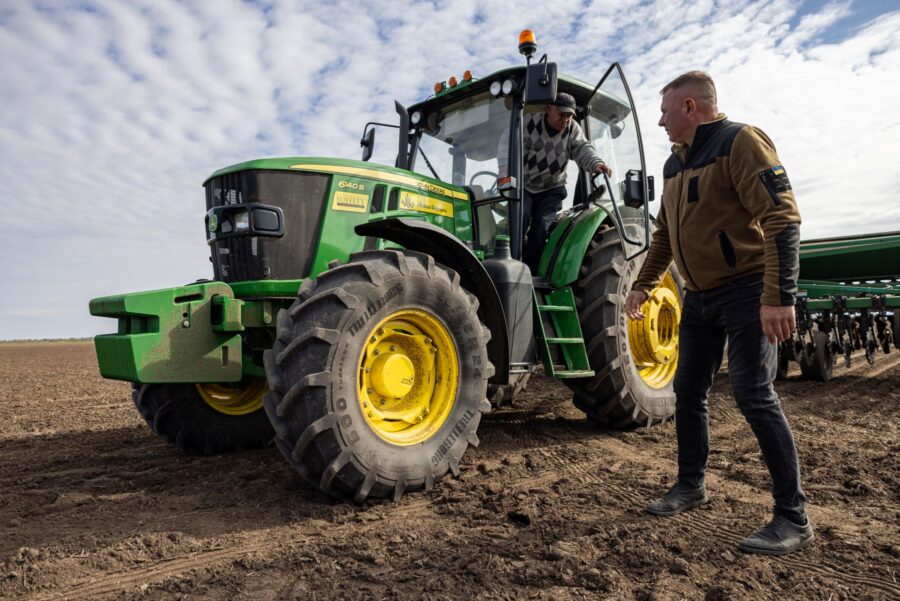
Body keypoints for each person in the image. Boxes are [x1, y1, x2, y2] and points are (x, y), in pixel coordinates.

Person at [625, 71, 813, 555]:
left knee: (754, 394)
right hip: (700, 297)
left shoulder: (740, 142)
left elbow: (781, 217)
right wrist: (644, 285)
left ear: (690, 107)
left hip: (748, 290)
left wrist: (777, 296)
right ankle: (691, 485)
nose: (660, 119)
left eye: (665, 110)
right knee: (687, 392)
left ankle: (792, 518)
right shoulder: (673, 165)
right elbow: (665, 235)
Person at [499, 92, 611, 270]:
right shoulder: (528, 123)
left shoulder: (572, 130)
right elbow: (508, 142)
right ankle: (510, 264)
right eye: (562, 114)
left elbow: (583, 149)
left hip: (552, 188)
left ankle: (528, 269)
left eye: (569, 116)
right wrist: (505, 168)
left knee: (542, 225)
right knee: (519, 219)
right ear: (549, 108)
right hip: (525, 186)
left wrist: (596, 163)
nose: (565, 119)